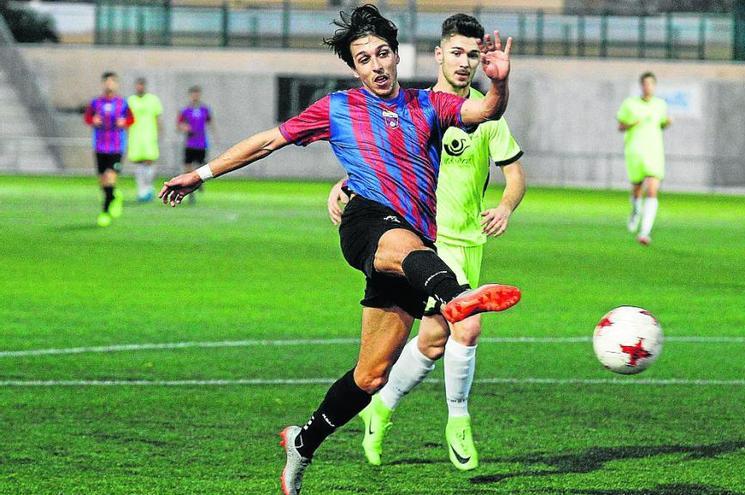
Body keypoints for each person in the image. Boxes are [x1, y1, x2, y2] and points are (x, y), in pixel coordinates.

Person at [157, 5, 519, 494]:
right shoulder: (337, 108)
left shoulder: (429, 105)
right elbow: (267, 141)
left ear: (397, 56)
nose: (376, 66)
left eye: (383, 54)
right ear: (354, 67)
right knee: (405, 246)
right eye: (363, 58)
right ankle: (459, 294)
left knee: (371, 376)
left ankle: (302, 442)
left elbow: (486, 111)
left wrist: (498, 83)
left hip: (412, 247)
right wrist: (200, 174)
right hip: (366, 224)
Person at [326, 13, 526, 472]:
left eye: (473, 54)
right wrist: (345, 185)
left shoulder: (486, 114)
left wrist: (506, 206)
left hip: (469, 239)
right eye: (456, 52)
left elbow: (515, 174)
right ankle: (459, 420)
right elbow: (379, 160)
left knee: (433, 343)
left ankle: (381, 407)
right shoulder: (415, 105)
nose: (464, 62)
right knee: (468, 325)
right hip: (424, 241)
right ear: (438, 54)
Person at [616, 72, 670, 246]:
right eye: (645, 84)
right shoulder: (630, 104)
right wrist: (633, 124)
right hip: (635, 151)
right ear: (641, 86)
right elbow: (621, 126)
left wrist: (667, 122)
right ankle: (635, 211)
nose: (648, 87)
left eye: (651, 84)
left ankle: (645, 232)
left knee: (652, 188)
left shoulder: (660, 105)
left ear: (654, 86)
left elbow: (662, 123)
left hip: (654, 151)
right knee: (637, 188)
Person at [84, 71, 133, 227]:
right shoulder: (95, 103)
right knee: (102, 182)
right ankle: (115, 196)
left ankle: (105, 212)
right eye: (106, 81)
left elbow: (131, 119)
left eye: (112, 81)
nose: (109, 84)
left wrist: (124, 122)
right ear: (103, 83)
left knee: (110, 176)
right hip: (99, 146)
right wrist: (93, 120)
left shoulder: (122, 103)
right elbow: (87, 118)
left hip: (116, 146)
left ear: (116, 84)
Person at [127, 77, 163, 202]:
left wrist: (159, 133)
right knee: (138, 163)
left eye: (142, 85)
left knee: (149, 162)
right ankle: (141, 190)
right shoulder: (130, 101)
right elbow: (126, 119)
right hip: (135, 136)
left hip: (149, 136)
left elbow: (158, 118)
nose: (140, 87)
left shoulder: (153, 100)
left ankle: (148, 187)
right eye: (138, 85)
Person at [177, 85, 213, 204]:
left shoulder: (205, 109)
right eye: (193, 94)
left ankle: (199, 182)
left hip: (201, 143)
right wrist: (184, 128)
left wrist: (213, 136)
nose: (195, 96)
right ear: (190, 95)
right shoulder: (185, 110)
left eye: (197, 93)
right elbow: (179, 125)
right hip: (190, 143)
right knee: (188, 167)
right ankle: (190, 192)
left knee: (201, 165)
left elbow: (210, 122)